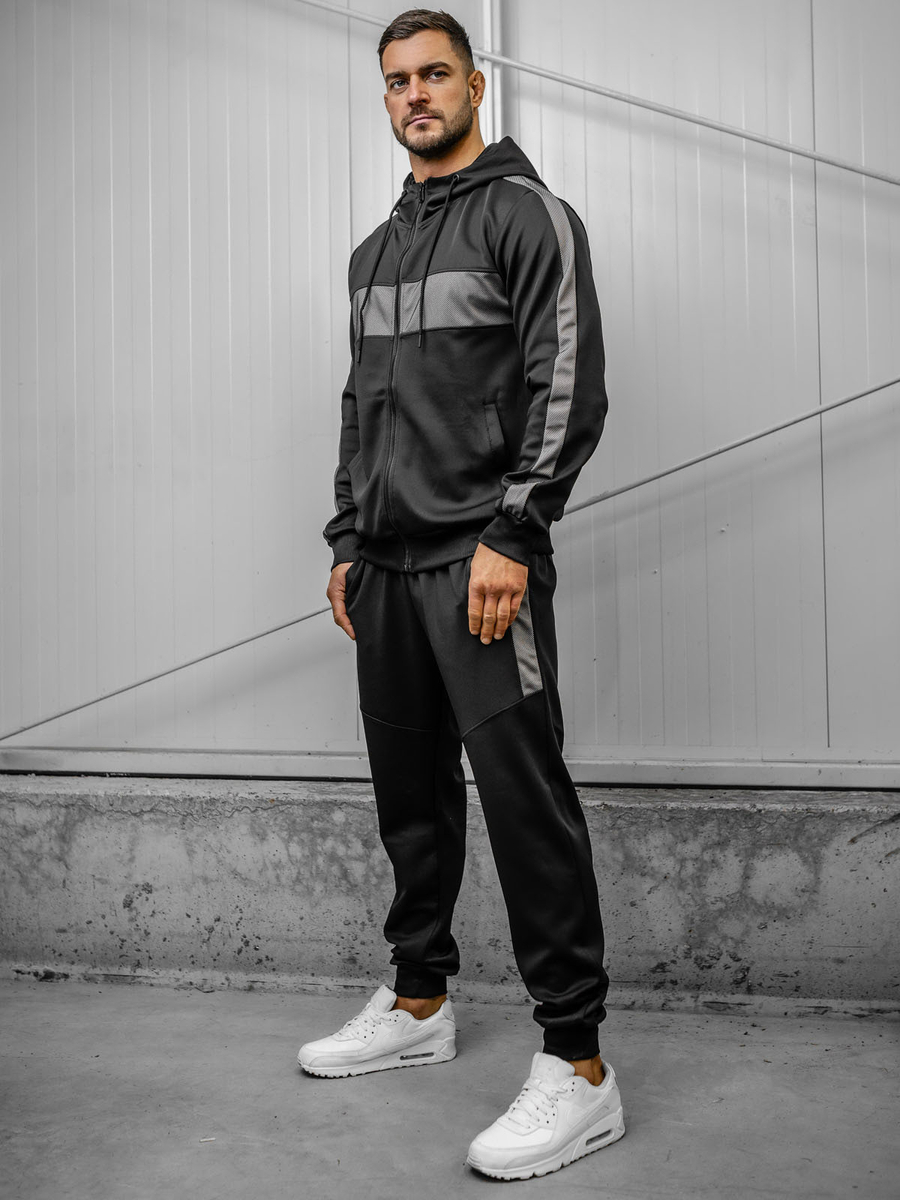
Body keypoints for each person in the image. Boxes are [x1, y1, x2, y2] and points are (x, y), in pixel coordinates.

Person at [298, 8, 624, 1181]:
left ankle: (579, 1066)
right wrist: (348, 537)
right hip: (383, 572)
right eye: (397, 81)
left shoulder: (526, 215)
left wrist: (513, 532)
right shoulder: (374, 251)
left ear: (475, 85)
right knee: (411, 799)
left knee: (526, 804)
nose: (415, 94)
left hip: (480, 565)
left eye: (434, 74)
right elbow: (360, 405)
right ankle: (420, 1002)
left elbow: (569, 381)